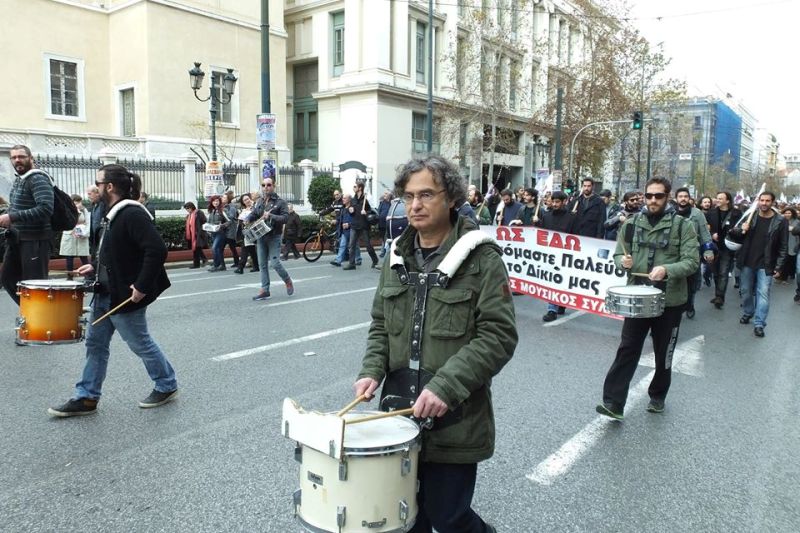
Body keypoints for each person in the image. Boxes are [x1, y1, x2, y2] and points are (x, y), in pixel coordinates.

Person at [353, 155, 516, 533]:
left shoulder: (482, 259)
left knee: (449, 516)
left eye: (426, 194)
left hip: (454, 420)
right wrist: (371, 370)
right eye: (408, 196)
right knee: (405, 518)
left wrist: (445, 386)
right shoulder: (395, 257)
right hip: (397, 418)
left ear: (452, 198)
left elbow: (499, 336)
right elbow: (381, 324)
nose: (415, 205)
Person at [48, 164, 177, 417]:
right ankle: (86, 397)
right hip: (105, 291)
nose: (94, 188)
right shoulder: (111, 212)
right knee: (95, 344)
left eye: (98, 183)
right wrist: (94, 267)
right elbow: (115, 251)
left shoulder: (132, 213)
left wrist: (141, 286)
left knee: (140, 343)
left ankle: (167, 384)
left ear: (109, 186)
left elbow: (157, 250)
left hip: (125, 295)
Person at [596, 177, 699, 419]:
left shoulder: (684, 226)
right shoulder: (631, 223)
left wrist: (667, 270)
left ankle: (657, 395)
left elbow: (692, 261)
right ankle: (613, 403)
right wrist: (622, 261)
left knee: (664, 353)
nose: (653, 200)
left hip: (669, 301)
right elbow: (618, 253)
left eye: (658, 196)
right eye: (649, 196)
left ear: (668, 197)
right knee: (627, 349)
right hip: (638, 299)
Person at [728, 192, 788, 337]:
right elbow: (733, 233)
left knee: (763, 294)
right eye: (762, 200)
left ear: (773, 202)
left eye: (768, 201)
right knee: (746, 291)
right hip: (747, 261)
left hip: (766, 264)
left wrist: (779, 267)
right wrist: (742, 229)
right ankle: (748, 312)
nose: (764, 203)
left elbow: (783, 245)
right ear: (758, 201)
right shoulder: (750, 214)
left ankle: (759, 323)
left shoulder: (780, 220)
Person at [0, 145, 53, 304]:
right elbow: (16, 207)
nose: (17, 160)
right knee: (8, 279)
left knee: (35, 285)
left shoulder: (38, 178)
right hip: (17, 239)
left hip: (35, 240)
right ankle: (32, 314)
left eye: (21, 156)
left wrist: (12, 217)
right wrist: (6, 216)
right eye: (14, 157)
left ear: (30, 158)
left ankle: (41, 320)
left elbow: (46, 209)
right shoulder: (20, 179)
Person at [248, 176, 294, 300]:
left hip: (274, 236)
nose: (266, 187)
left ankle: (288, 280)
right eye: (263, 185)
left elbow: (285, 218)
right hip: (261, 236)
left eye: (268, 185)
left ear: (273, 186)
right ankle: (265, 289)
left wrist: (271, 216)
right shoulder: (260, 201)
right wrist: (247, 219)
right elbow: (254, 214)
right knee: (262, 264)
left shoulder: (280, 202)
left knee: (275, 263)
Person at [535, 191, 577, 321]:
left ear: (564, 202)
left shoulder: (571, 217)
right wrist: (536, 224)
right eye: (553, 202)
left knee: (563, 280)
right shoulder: (546, 216)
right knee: (552, 280)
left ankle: (561, 302)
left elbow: (576, 236)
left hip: (566, 254)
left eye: (557, 202)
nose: (554, 204)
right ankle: (551, 310)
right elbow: (541, 233)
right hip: (550, 254)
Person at [673, 187, 714, 318]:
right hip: (673, 253)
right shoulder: (670, 213)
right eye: (680, 196)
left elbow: (705, 234)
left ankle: (690, 304)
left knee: (692, 282)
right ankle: (675, 307)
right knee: (674, 280)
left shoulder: (697, 214)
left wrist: (708, 251)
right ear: (676, 199)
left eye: (686, 196)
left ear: (689, 198)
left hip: (692, 252)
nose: (683, 199)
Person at [707, 191, 742, 309]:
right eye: (717, 198)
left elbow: (741, 229)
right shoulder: (711, 212)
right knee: (715, 272)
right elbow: (706, 227)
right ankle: (718, 293)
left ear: (727, 200)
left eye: (721, 198)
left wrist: (734, 231)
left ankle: (720, 297)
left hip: (728, 247)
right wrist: (712, 234)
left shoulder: (736, 213)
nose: (718, 200)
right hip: (713, 246)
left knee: (723, 272)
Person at [342, 180, 379, 270]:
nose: (353, 188)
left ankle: (375, 260)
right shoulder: (353, 199)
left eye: (355, 186)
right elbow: (352, 212)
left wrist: (365, 212)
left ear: (360, 188)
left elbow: (371, 212)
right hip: (354, 225)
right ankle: (352, 264)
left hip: (364, 225)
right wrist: (351, 211)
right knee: (352, 245)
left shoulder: (365, 200)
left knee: (368, 245)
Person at [59, 194, 90, 280]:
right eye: (75, 203)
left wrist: (85, 233)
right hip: (70, 235)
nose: (77, 205)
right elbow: (64, 222)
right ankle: (69, 277)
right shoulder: (67, 210)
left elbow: (88, 223)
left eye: (78, 202)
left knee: (83, 256)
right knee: (69, 257)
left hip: (81, 234)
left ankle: (88, 276)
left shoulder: (84, 211)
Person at [234, 193, 259, 274]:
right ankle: (256, 266)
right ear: (243, 202)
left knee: (245, 249)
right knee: (251, 250)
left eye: (248, 199)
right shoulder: (243, 210)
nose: (247, 201)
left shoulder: (255, 207)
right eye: (245, 200)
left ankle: (240, 267)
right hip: (244, 232)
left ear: (250, 198)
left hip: (252, 231)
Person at [206, 195, 228, 272]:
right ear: (211, 202)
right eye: (214, 201)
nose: (215, 202)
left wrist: (221, 226)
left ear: (219, 202)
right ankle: (222, 265)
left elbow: (229, 222)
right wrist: (207, 227)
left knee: (214, 248)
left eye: (217, 201)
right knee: (218, 250)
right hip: (213, 233)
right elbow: (208, 222)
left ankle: (216, 265)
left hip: (220, 233)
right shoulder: (210, 211)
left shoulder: (222, 210)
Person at [183, 201, 208, 269]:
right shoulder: (189, 215)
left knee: (197, 248)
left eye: (188, 208)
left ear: (192, 207)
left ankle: (202, 260)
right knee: (195, 249)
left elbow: (204, 221)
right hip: (192, 235)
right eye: (186, 209)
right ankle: (198, 263)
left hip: (198, 234)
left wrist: (200, 231)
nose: (187, 210)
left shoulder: (198, 213)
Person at [85, 184, 106, 262]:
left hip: (102, 239)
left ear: (97, 193)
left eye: (90, 194)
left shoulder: (104, 205)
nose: (88, 196)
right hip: (94, 239)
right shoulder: (93, 206)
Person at [779, 207, 798, 282]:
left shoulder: (796, 221)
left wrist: (791, 229)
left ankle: (790, 274)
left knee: (791, 260)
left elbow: (795, 230)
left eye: (789, 213)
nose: (787, 214)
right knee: (783, 260)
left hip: (792, 242)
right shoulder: (781, 221)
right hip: (782, 242)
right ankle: (783, 276)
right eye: (786, 213)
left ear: (792, 214)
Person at [222, 193, 240, 268]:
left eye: (224, 197)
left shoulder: (231, 207)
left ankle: (237, 262)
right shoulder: (225, 206)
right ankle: (236, 262)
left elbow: (231, 216)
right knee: (228, 247)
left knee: (232, 246)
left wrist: (224, 211)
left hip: (231, 229)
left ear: (228, 199)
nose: (222, 198)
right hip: (226, 230)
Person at [377, 190, 392, 257]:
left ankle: (384, 251)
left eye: (386, 193)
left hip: (389, 224)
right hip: (381, 224)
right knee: (383, 238)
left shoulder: (392, 203)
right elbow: (378, 211)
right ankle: (384, 250)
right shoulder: (382, 203)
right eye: (384, 193)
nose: (384, 195)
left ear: (390, 195)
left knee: (386, 237)